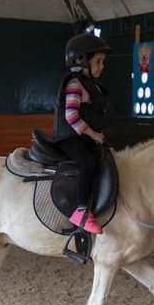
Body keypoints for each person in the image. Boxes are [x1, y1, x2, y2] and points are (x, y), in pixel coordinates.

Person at [53, 33, 113, 235]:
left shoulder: (90, 85)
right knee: (87, 163)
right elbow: (71, 116)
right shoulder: (74, 84)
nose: (102, 66)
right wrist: (94, 134)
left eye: (102, 62)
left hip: (81, 136)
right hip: (69, 137)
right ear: (81, 61)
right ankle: (80, 211)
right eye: (98, 61)